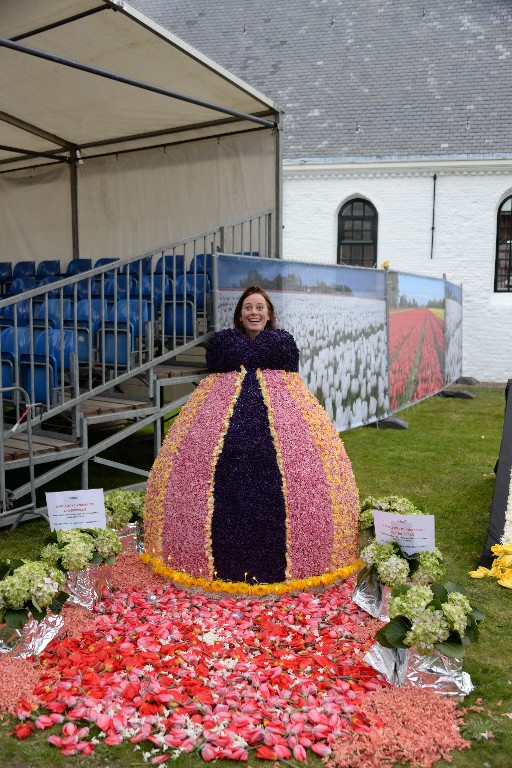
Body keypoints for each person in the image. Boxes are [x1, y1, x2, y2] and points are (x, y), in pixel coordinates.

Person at [142, 286, 360, 593]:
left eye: (260, 307)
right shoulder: (224, 349)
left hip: (285, 429)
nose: (254, 313)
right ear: (240, 314)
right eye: (248, 307)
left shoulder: (282, 348)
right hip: (217, 430)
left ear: (269, 313)